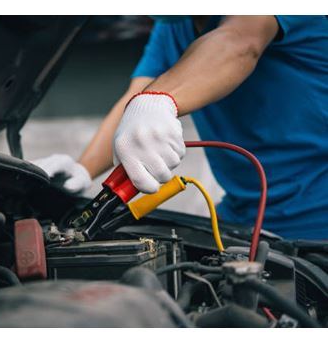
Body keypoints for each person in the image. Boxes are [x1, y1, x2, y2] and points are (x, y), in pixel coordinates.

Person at [34, 16, 328, 240]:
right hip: (241, 220)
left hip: (317, 226)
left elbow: (240, 41)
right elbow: (135, 101)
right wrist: (82, 170)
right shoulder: (174, 26)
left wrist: (156, 101)